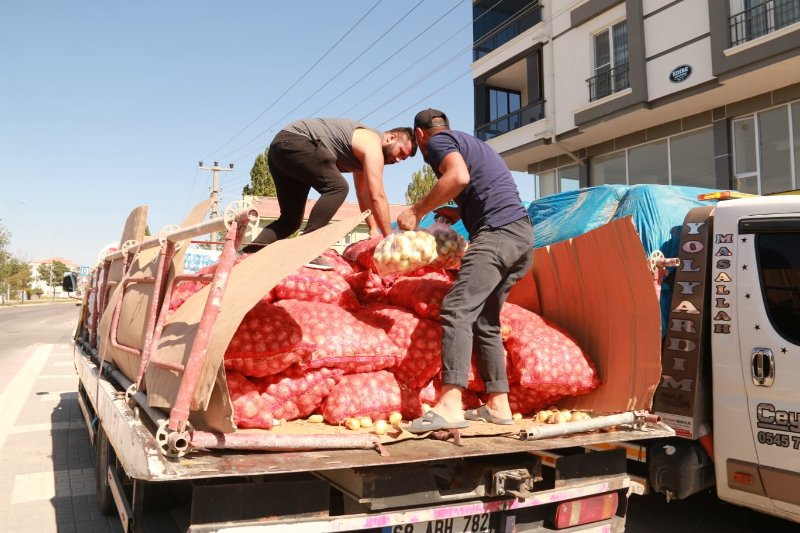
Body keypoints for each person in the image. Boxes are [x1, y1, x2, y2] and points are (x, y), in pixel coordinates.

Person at [398, 109, 534, 432]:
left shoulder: (437, 142)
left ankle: (449, 405)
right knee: (486, 320)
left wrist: (417, 211)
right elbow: (481, 185)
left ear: (420, 135)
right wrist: (456, 210)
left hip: (497, 232)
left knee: (457, 308)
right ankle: (499, 405)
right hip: (522, 237)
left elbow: (457, 177)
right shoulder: (470, 142)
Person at [240, 118, 416, 268]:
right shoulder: (373, 144)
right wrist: (390, 240)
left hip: (281, 150)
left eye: (404, 159)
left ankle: (243, 255)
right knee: (338, 187)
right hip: (298, 142)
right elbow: (378, 196)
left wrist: (373, 230)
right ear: (391, 137)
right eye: (400, 152)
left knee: (290, 221)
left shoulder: (364, 155)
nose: (398, 160)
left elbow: (364, 195)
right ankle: (306, 249)